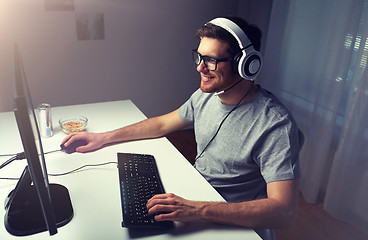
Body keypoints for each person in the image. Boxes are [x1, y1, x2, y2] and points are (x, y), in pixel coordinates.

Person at [62, 16, 301, 240]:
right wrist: (103, 138)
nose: (200, 68)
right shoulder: (207, 95)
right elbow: (163, 123)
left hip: (232, 223)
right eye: (199, 57)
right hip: (196, 200)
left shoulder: (275, 124)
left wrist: (199, 209)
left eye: (211, 61)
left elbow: (285, 212)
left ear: (245, 65)